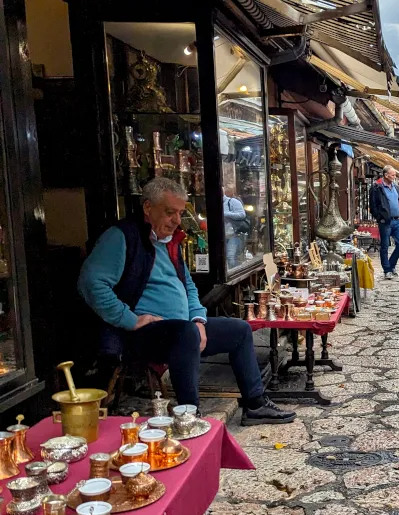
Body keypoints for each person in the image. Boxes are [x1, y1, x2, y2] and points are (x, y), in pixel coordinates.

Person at [78, 178, 294, 426]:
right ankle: (189, 416)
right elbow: (90, 283)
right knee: (185, 334)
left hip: (182, 328)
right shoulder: (122, 237)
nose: (177, 220)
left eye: (180, 213)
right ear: (148, 207)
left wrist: (199, 319)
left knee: (240, 330)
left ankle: (255, 405)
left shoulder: (169, 241)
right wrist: (128, 319)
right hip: (141, 334)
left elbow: (187, 285)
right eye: (170, 213)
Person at [369, 165, 399, 279]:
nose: (395, 177)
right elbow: (373, 206)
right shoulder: (377, 188)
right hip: (385, 221)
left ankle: (391, 265)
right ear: (386, 175)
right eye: (393, 175)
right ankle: (387, 270)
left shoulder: (396, 187)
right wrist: (380, 218)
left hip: (397, 220)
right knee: (384, 246)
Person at [223, 186, 247, 270]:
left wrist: (225, 214)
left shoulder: (233, 202)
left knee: (231, 258)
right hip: (221, 238)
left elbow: (242, 215)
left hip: (233, 235)